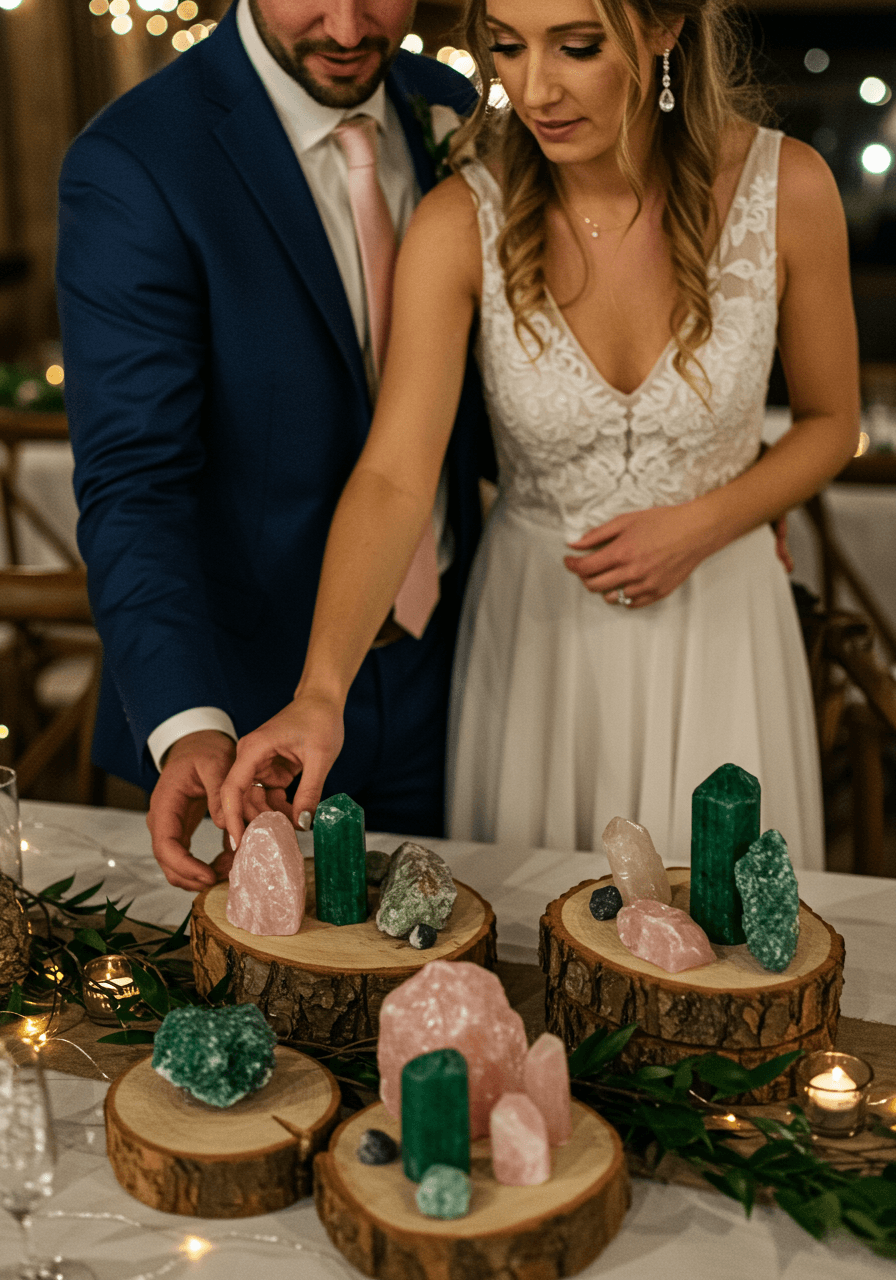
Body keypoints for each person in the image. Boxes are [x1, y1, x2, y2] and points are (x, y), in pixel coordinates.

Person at [221, 0, 860, 870]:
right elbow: (395, 477)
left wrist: (708, 522)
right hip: (537, 643)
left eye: (578, 47)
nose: (534, 89)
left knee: (730, 953)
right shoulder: (460, 220)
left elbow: (831, 425)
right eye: (508, 48)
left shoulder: (790, 189)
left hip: (725, 624)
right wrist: (319, 690)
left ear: (666, 27)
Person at [56, 0, 490, 892]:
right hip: (250, 715)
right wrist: (189, 721)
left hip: (457, 679)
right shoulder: (137, 161)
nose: (345, 26)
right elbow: (135, 483)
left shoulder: (453, 107)